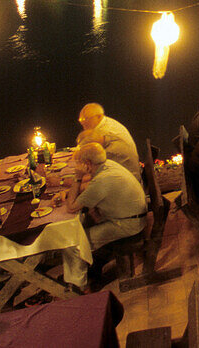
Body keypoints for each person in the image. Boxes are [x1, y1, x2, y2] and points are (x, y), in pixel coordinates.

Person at [59, 142, 147, 292]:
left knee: (74, 244)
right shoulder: (108, 165)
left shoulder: (102, 180)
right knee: (86, 220)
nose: (77, 166)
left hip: (128, 224)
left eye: (79, 162)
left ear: (87, 164)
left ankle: (80, 286)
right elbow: (91, 183)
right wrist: (71, 187)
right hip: (131, 215)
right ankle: (84, 272)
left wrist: (77, 178)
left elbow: (71, 207)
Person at [77, 103, 140, 178]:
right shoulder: (104, 126)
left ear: (99, 116)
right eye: (80, 120)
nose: (83, 123)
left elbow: (94, 165)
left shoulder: (106, 132)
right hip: (124, 173)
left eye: (86, 119)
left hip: (128, 177)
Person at [77, 128, 142, 182]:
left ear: (93, 145)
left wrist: (77, 179)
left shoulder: (109, 152)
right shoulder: (109, 137)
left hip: (130, 181)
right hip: (128, 177)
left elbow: (95, 177)